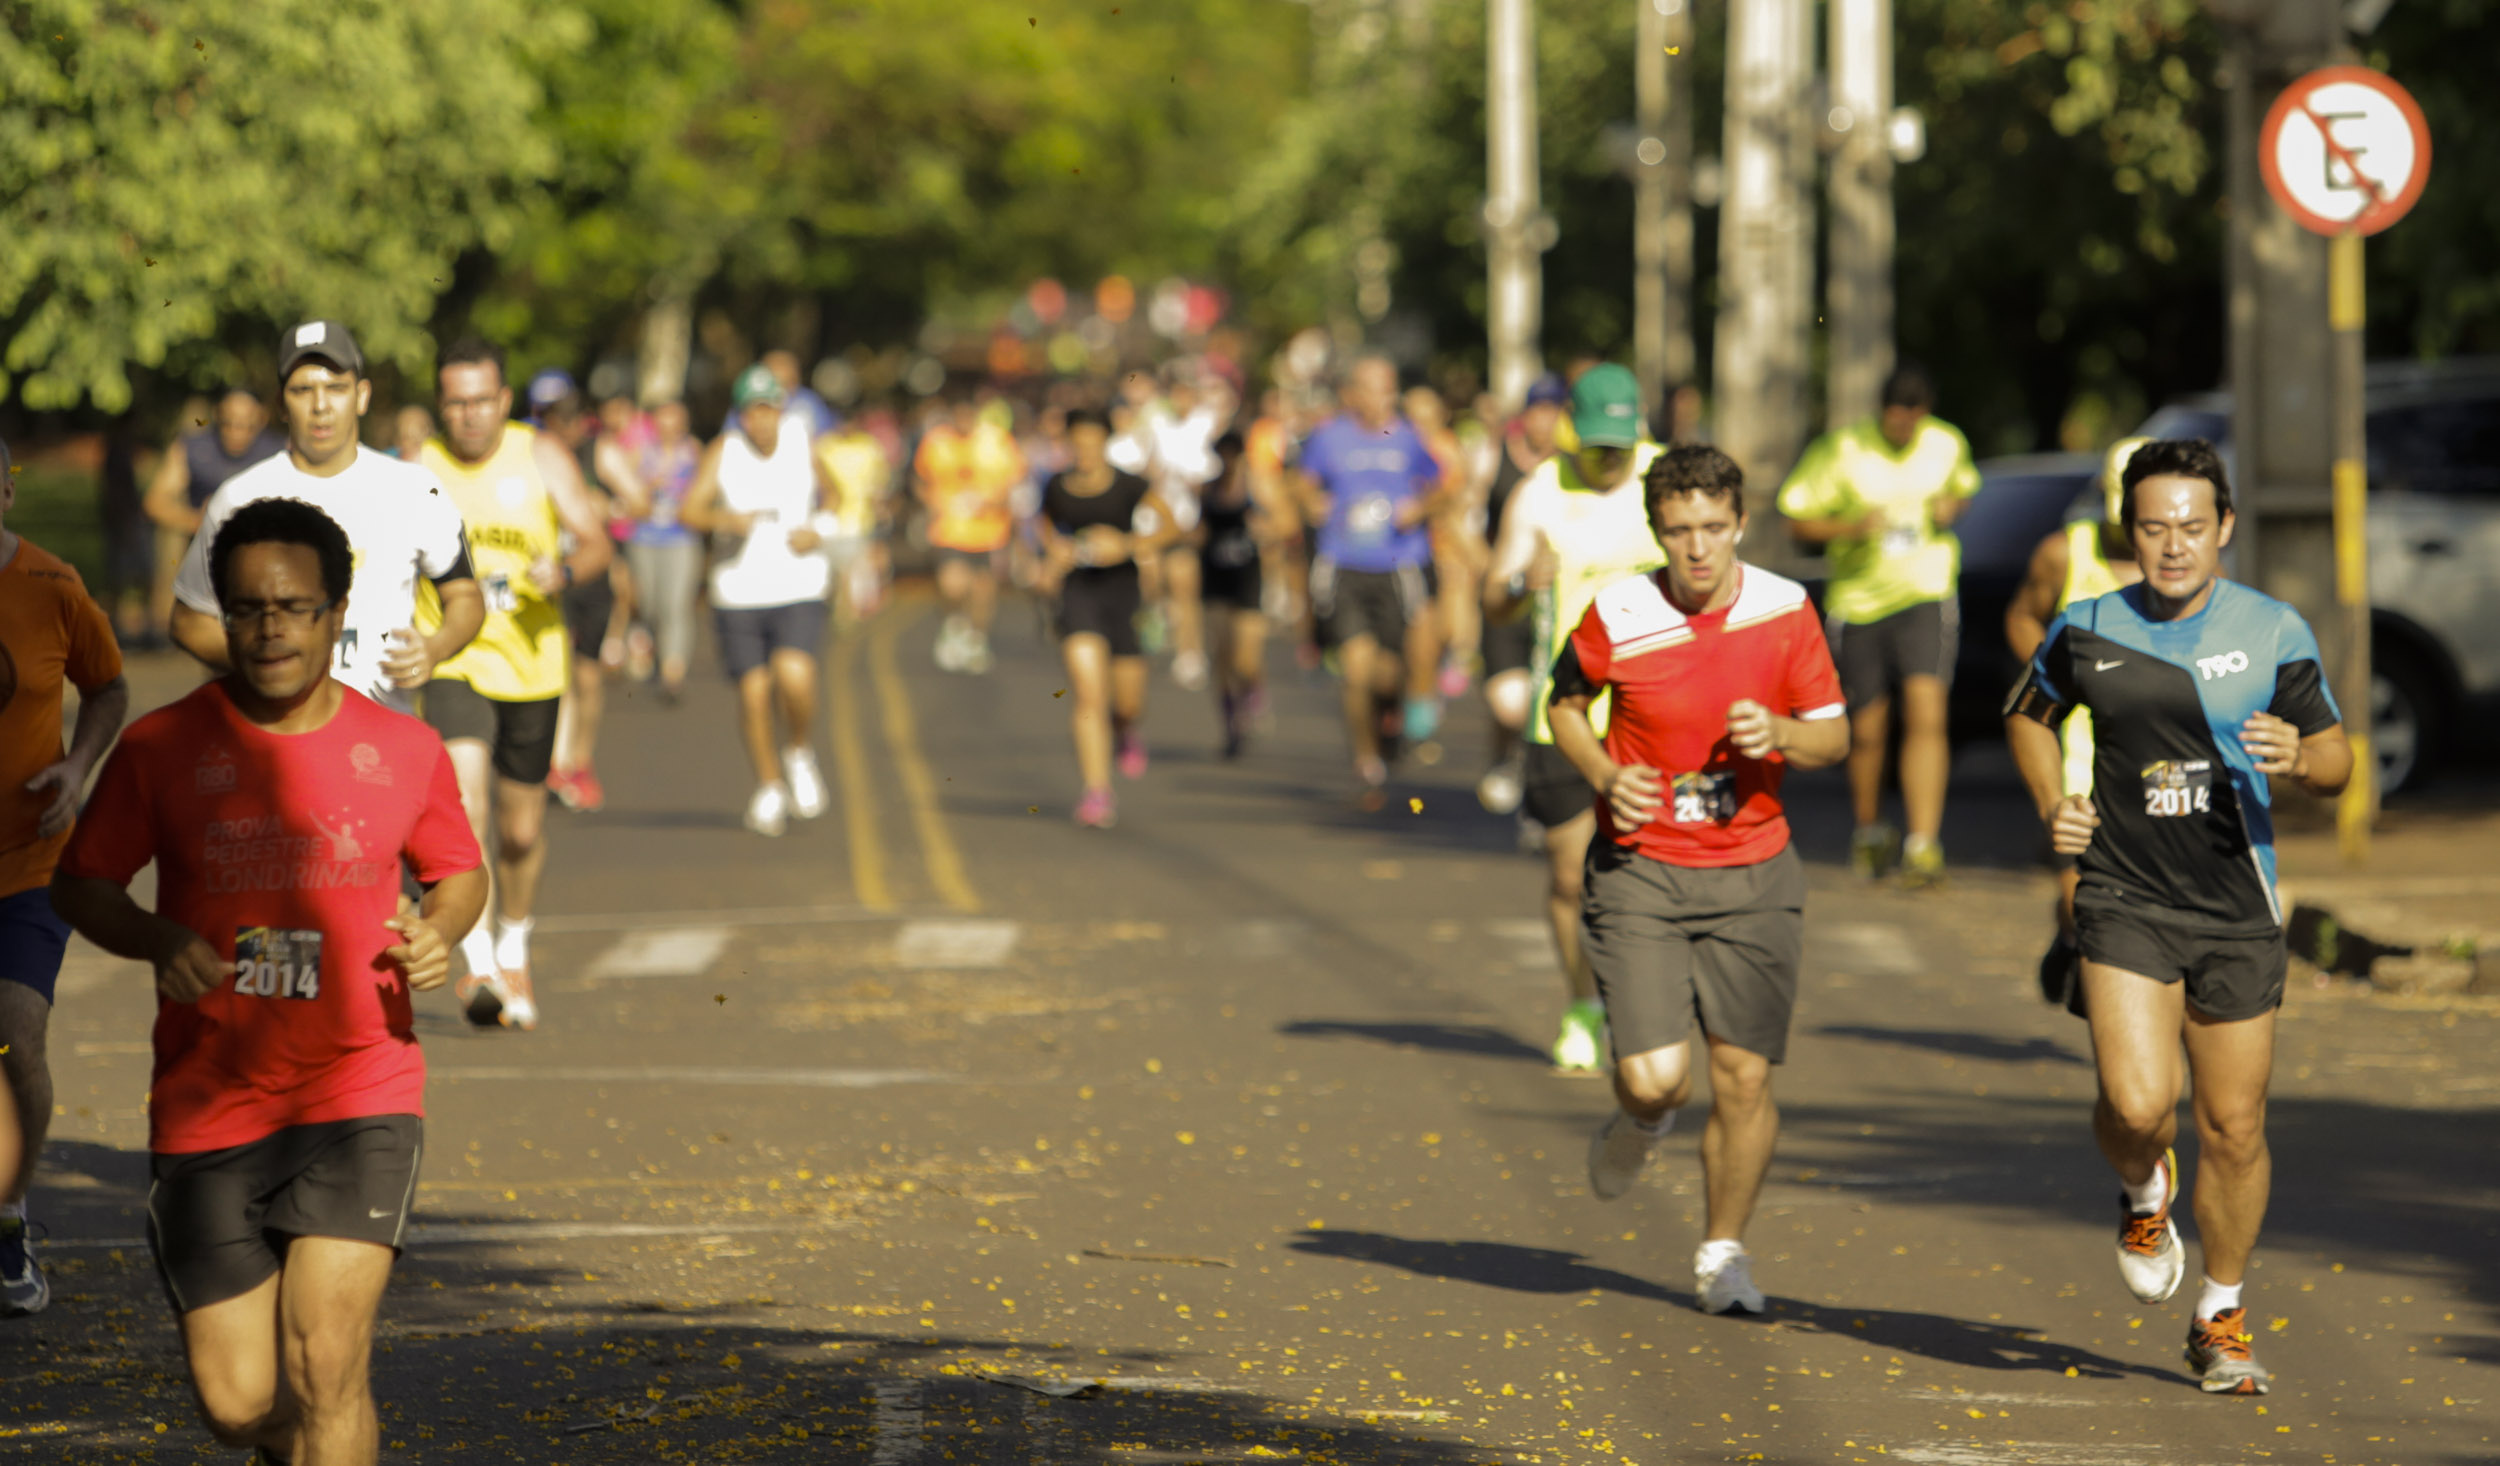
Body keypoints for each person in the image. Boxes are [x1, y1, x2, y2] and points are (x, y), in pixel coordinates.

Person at [53, 496, 486, 1464]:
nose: (270, 628)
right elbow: (81, 883)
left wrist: (438, 931)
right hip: (212, 1101)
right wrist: (158, 937)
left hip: (360, 1088)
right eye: (246, 608)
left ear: (337, 613)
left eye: (293, 607)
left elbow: (458, 872)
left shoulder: (403, 749)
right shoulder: (162, 748)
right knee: (241, 1404)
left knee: (328, 1362)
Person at [2005, 438, 2350, 1396]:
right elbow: (2028, 714)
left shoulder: (2273, 629)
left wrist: (2300, 758)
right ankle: (2143, 1187)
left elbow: (2337, 758)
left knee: (2234, 1126)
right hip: (2124, 893)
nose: (2173, 546)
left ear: (2224, 527)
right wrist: (2052, 805)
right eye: (2154, 528)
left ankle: (2219, 1316)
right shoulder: (2086, 627)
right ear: (2130, 532)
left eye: (2193, 527)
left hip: (2239, 904)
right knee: (2136, 1106)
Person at [1550, 444, 1848, 1316]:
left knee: (1744, 1077)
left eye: (1714, 527)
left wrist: (1781, 734)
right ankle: (1641, 1119)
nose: (1697, 548)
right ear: (1657, 531)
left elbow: (1833, 737)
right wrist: (1605, 774)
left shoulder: (1785, 610)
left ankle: (1724, 1253)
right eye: (1679, 530)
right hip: (1642, 868)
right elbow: (1563, 703)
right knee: (1656, 1079)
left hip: (1755, 870)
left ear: (1740, 524)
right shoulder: (1619, 612)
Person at [419, 339, 613, 1033]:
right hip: (453, 657)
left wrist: (567, 571)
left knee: (522, 831)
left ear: (504, 400)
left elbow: (596, 541)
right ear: (441, 406)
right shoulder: (418, 469)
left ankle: (514, 944)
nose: (470, 415)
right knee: (466, 807)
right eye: (456, 402)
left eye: (482, 400)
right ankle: (479, 962)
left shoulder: (542, 456)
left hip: (532, 663)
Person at [1484, 365, 1666, 1072]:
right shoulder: (1540, 492)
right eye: (1596, 446)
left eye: (1620, 445)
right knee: (1570, 877)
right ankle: (1584, 1004)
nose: (1609, 459)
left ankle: (1646, 1004)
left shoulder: (1669, 480)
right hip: (1566, 713)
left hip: (1659, 709)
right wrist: (1518, 583)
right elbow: (1493, 598)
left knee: (1654, 874)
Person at [171, 320, 483, 714]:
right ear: (281, 405)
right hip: (273, 733)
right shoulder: (238, 498)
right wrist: (264, 665)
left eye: (336, 388)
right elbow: (188, 620)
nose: (320, 406)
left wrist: (435, 648)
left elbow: (465, 596)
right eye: (302, 390)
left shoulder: (416, 489)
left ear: (362, 396)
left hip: (379, 729)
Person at [0, 433, 130, 1318]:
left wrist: (77, 767)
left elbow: (109, 687)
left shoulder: (51, 585)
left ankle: (8, 1213)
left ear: (7, 491)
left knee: (15, 1032)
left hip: (28, 860)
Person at [1776, 363, 1980, 887]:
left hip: (1926, 592)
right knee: (1868, 728)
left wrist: (1952, 507)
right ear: (1881, 412)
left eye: (1913, 421)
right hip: (1860, 602)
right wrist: (1849, 527)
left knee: (1927, 713)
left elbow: (1964, 490)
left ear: (1925, 414)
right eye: (1895, 420)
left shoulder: (1946, 443)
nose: (1903, 430)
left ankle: (1923, 844)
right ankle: (1869, 828)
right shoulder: (1842, 449)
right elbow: (1796, 519)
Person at [2005, 437, 2149, 1007]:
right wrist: (2060, 675)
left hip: (2155, 760)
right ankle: (2074, 943)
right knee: (2079, 896)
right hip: (2080, 752)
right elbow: (2021, 616)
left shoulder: (2187, 563)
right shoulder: (2065, 553)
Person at [681, 364, 837, 836]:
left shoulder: (801, 441)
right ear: (741, 415)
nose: (761, 421)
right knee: (753, 694)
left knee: (795, 673)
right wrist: (725, 520)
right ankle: (769, 784)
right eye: (752, 412)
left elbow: (835, 495)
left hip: (798, 583)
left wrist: (820, 529)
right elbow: (691, 510)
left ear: (781, 410)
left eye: (769, 410)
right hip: (739, 590)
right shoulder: (724, 452)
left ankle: (799, 750)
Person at [1292, 354, 1453, 798]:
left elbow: (1441, 487)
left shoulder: (1406, 436)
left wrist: (1418, 508)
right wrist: (1312, 503)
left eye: (1388, 388)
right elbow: (1302, 482)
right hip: (1345, 564)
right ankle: (1365, 761)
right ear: (1351, 393)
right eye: (1372, 388)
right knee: (1356, 669)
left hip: (1398, 564)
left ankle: (1390, 722)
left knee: (1389, 673)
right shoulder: (1329, 436)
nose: (1383, 397)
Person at [1037, 409, 1180, 827]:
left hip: (1123, 592)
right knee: (1087, 694)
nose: (1085, 453)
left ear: (1105, 444)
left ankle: (1125, 730)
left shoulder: (1129, 485)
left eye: (1092, 445)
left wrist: (1127, 544)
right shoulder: (1056, 485)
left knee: (1128, 702)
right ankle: (1097, 791)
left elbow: (1172, 526)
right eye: (1077, 445)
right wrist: (1056, 550)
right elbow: (1044, 525)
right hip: (1078, 592)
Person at [530, 372, 631, 814]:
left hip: (592, 577)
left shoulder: (600, 452)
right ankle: (557, 762)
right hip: (549, 579)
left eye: (570, 415)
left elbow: (641, 501)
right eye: (553, 416)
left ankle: (580, 759)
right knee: (561, 670)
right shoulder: (530, 453)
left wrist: (610, 506)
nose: (564, 425)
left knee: (588, 677)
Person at [1475, 373, 1570, 814]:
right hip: (1508, 591)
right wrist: (1491, 569)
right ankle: (1505, 755)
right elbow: (1464, 521)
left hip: (1557, 598)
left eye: (1555, 412)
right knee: (1510, 704)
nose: (1545, 422)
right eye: (1539, 411)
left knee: (1550, 701)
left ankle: (1540, 783)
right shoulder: (1493, 458)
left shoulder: (1576, 470)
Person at [145, 387, 284, 639]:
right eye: (228, 423)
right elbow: (155, 502)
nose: (236, 431)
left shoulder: (280, 452)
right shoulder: (193, 447)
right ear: (218, 415)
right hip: (209, 564)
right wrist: (197, 521)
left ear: (261, 418)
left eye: (246, 424)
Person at [917, 394, 1025, 674]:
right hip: (950, 530)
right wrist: (930, 505)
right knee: (952, 585)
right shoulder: (936, 442)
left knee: (982, 591)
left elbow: (1015, 483)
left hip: (990, 531)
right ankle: (954, 626)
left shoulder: (997, 441)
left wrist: (995, 505)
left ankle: (976, 639)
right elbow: (919, 480)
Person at [1196, 430, 1274, 759]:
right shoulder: (1208, 490)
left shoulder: (1259, 488)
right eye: (1223, 455)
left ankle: (1253, 691)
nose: (1228, 461)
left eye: (1234, 454)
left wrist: (1264, 529)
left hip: (1248, 579)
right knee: (1222, 658)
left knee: (1246, 658)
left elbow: (1284, 524)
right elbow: (1199, 531)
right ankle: (1232, 724)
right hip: (1215, 579)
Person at [626, 400, 706, 698]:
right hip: (645, 538)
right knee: (648, 601)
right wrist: (647, 488)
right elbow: (627, 493)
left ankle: (673, 669)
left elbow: (706, 489)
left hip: (682, 538)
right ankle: (646, 642)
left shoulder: (694, 451)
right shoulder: (640, 453)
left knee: (676, 604)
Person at [812, 403, 894, 628]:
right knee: (837, 573)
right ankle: (843, 615)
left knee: (850, 571)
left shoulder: (869, 447)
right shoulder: (825, 446)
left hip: (859, 521)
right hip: (831, 519)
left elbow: (879, 481)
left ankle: (846, 617)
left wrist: (880, 507)